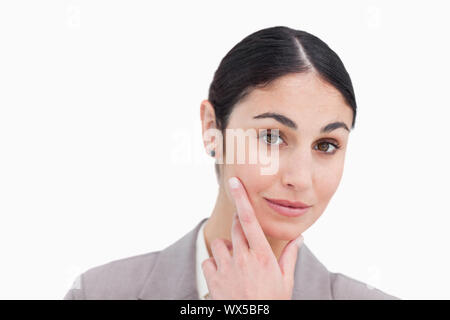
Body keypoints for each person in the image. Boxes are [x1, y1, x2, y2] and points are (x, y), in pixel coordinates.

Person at [64, 26, 400, 300]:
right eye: (271, 136)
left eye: (326, 145)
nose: (300, 178)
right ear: (212, 129)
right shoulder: (97, 293)